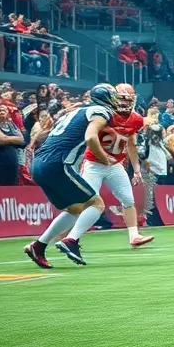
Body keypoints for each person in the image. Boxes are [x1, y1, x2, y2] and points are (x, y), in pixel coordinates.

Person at [23, 84, 118, 268]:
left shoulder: (76, 111)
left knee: (74, 208)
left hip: (39, 163)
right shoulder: (100, 111)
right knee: (96, 203)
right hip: (57, 163)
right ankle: (71, 240)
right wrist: (103, 157)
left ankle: (38, 246)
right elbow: (91, 138)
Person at [78, 83, 153, 248]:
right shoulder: (103, 113)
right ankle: (70, 235)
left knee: (127, 199)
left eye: (129, 99)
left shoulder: (135, 119)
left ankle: (134, 235)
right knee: (86, 199)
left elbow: (132, 144)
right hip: (93, 162)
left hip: (115, 164)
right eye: (122, 99)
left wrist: (137, 170)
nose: (125, 102)